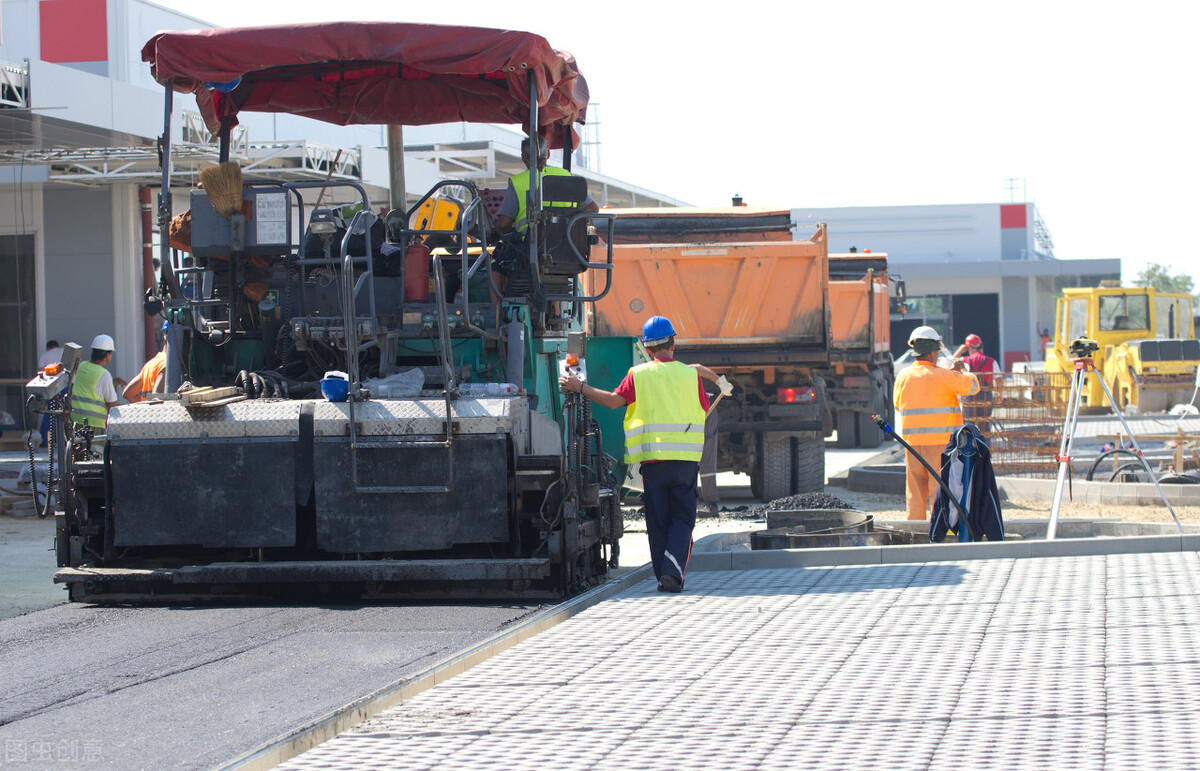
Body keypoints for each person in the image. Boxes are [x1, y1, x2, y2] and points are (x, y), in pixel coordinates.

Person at [558, 316, 719, 593]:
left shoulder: (638, 375)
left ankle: (664, 575)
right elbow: (703, 409)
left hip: (652, 463)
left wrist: (579, 387)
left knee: (657, 521)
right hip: (684, 463)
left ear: (647, 347)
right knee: (683, 519)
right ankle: (671, 572)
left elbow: (612, 401)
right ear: (673, 343)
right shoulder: (690, 375)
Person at [893, 326, 979, 521]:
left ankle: (914, 528)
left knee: (915, 491)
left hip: (912, 445)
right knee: (939, 490)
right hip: (940, 445)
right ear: (932, 353)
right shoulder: (944, 376)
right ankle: (938, 529)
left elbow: (898, 406)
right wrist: (962, 370)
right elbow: (973, 386)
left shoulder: (903, 376)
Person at [70, 334, 126, 447]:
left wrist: (115, 382)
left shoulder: (82, 366)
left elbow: (90, 386)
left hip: (75, 422)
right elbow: (112, 404)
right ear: (107, 355)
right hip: (94, 425)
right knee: (95, 455)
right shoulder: (104, 374)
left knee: (77, 454)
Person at [951, 333, 1001, 431]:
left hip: (969, 398)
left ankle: (969, 441)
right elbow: (998, 379)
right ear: (981, 347)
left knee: (968, 427)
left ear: (968, 348)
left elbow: (950, 363)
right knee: (984, 426)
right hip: (985, 398)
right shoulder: (991, 361)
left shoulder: (963, 361)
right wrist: (1000, 394)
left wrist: (960, 350)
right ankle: (985, 441)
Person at [122, 324, 167, 403]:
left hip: (150, 410)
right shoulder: (166, 364)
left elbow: (129, 394)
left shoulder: (150, 364)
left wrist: (145, 407)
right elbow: (157, 396)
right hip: (157, 410)